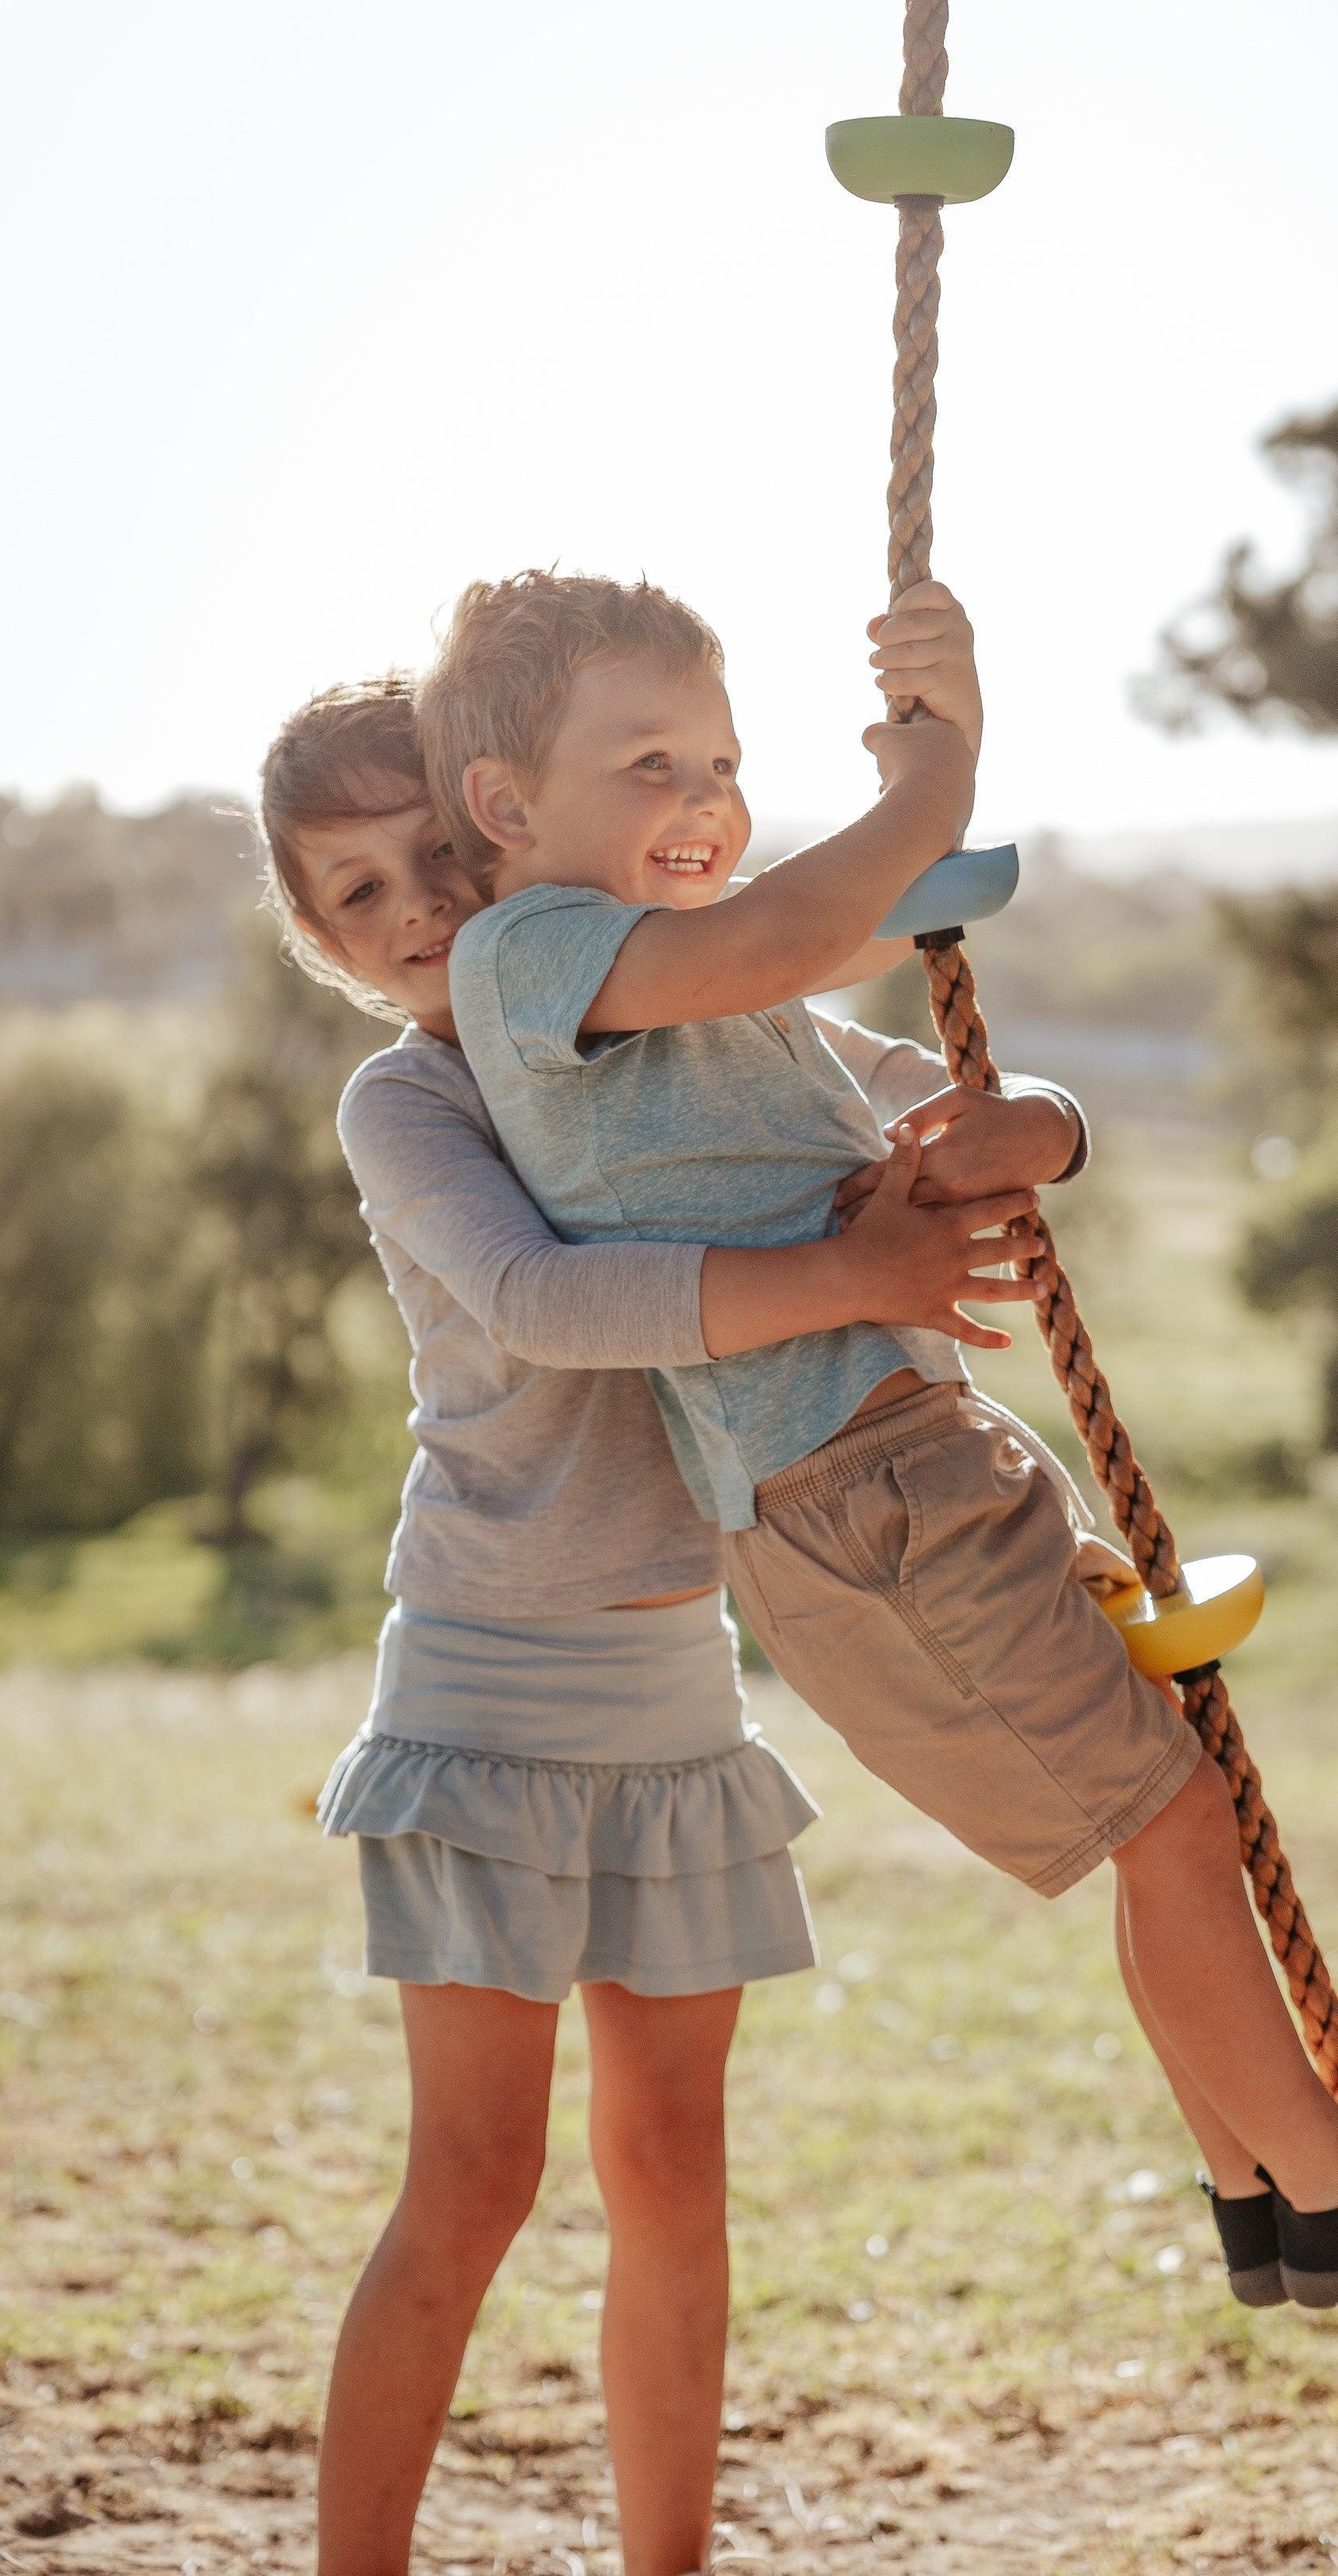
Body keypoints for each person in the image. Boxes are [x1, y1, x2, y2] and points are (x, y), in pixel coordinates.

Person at [423, 567, 1338, 2316]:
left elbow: (922, 1085)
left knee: (1163, 1815)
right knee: (1168, 1822)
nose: (706, 801)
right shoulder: (532, 961)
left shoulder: (730, 1014)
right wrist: (932, 786)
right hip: (855, 1496)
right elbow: (799, 928)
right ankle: (1334, 2195)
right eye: (649, 764)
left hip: (917, 1465)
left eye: (719, 761)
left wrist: (1032, 1127)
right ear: (506, 809)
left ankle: (1268, 2181)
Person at [258, 676, 1092, 2576]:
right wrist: (837, 1273)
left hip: (674, 1687)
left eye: (432, 862)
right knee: (474, 2183)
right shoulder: (408, 1097)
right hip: (489, 1673)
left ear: (503, 837)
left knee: (675, 2180)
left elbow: (936, 1096)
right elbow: (549, 1304)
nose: (410, 917)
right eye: (353, 896)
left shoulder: (697, 1027)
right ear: (319, 940)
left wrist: (1033, 1130)